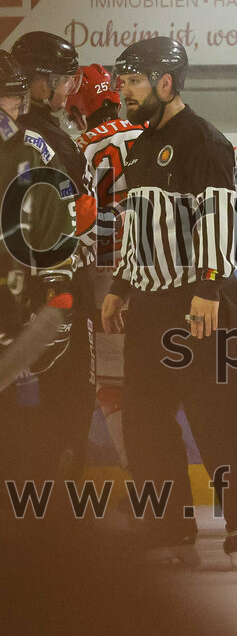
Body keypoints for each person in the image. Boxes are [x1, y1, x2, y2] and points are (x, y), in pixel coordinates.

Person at [100, 37, 237, 569]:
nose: (125, 91)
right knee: (145, 422)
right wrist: (120, 285)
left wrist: (207, 288)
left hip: (199, 302)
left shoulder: (204, 140)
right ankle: (168, 525)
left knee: (216, 417)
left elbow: (218, 220)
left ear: (166, 82)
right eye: (123, 82)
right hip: (150, 305)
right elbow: (140, 229)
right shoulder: (142, 144)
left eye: (134, 81)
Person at [9, 31, 95, 484]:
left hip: (22, 292)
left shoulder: (34, 134)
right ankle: (54, 500)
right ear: (38, 83)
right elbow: (73, 219)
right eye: (62, 78)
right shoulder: (42, 140)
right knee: (66, 395)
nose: (68, 87)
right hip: (47, 291)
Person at [0, 49, 77, 535]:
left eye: (17, 97)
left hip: (12, 310)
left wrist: (55, 281)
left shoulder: (31, 150)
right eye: (8, 97)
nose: (16, 106)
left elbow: (52, 220)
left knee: (15, 421)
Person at [68, 64, 145, 468]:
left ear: (79, 109)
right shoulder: (151, 133)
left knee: (112, 386)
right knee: (155, 383)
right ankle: (162, 477)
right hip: (154, 277)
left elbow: (78, 224)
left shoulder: (81, 146)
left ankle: (140, 477)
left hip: (105, 281)